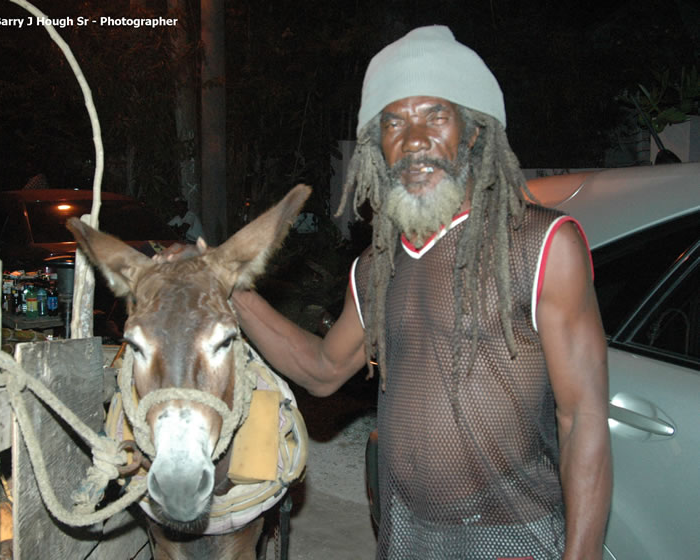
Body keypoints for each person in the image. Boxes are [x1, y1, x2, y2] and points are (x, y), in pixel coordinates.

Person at [229, 26, 612, 559]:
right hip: (405, 533)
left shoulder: (541, 245)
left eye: (436, 116)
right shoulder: (377, 266)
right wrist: (230, 291)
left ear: (473, 131)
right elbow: (321, 370)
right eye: (393, 123)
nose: (413, 140)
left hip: (512, 537)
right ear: (377, 148)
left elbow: (582, 418)